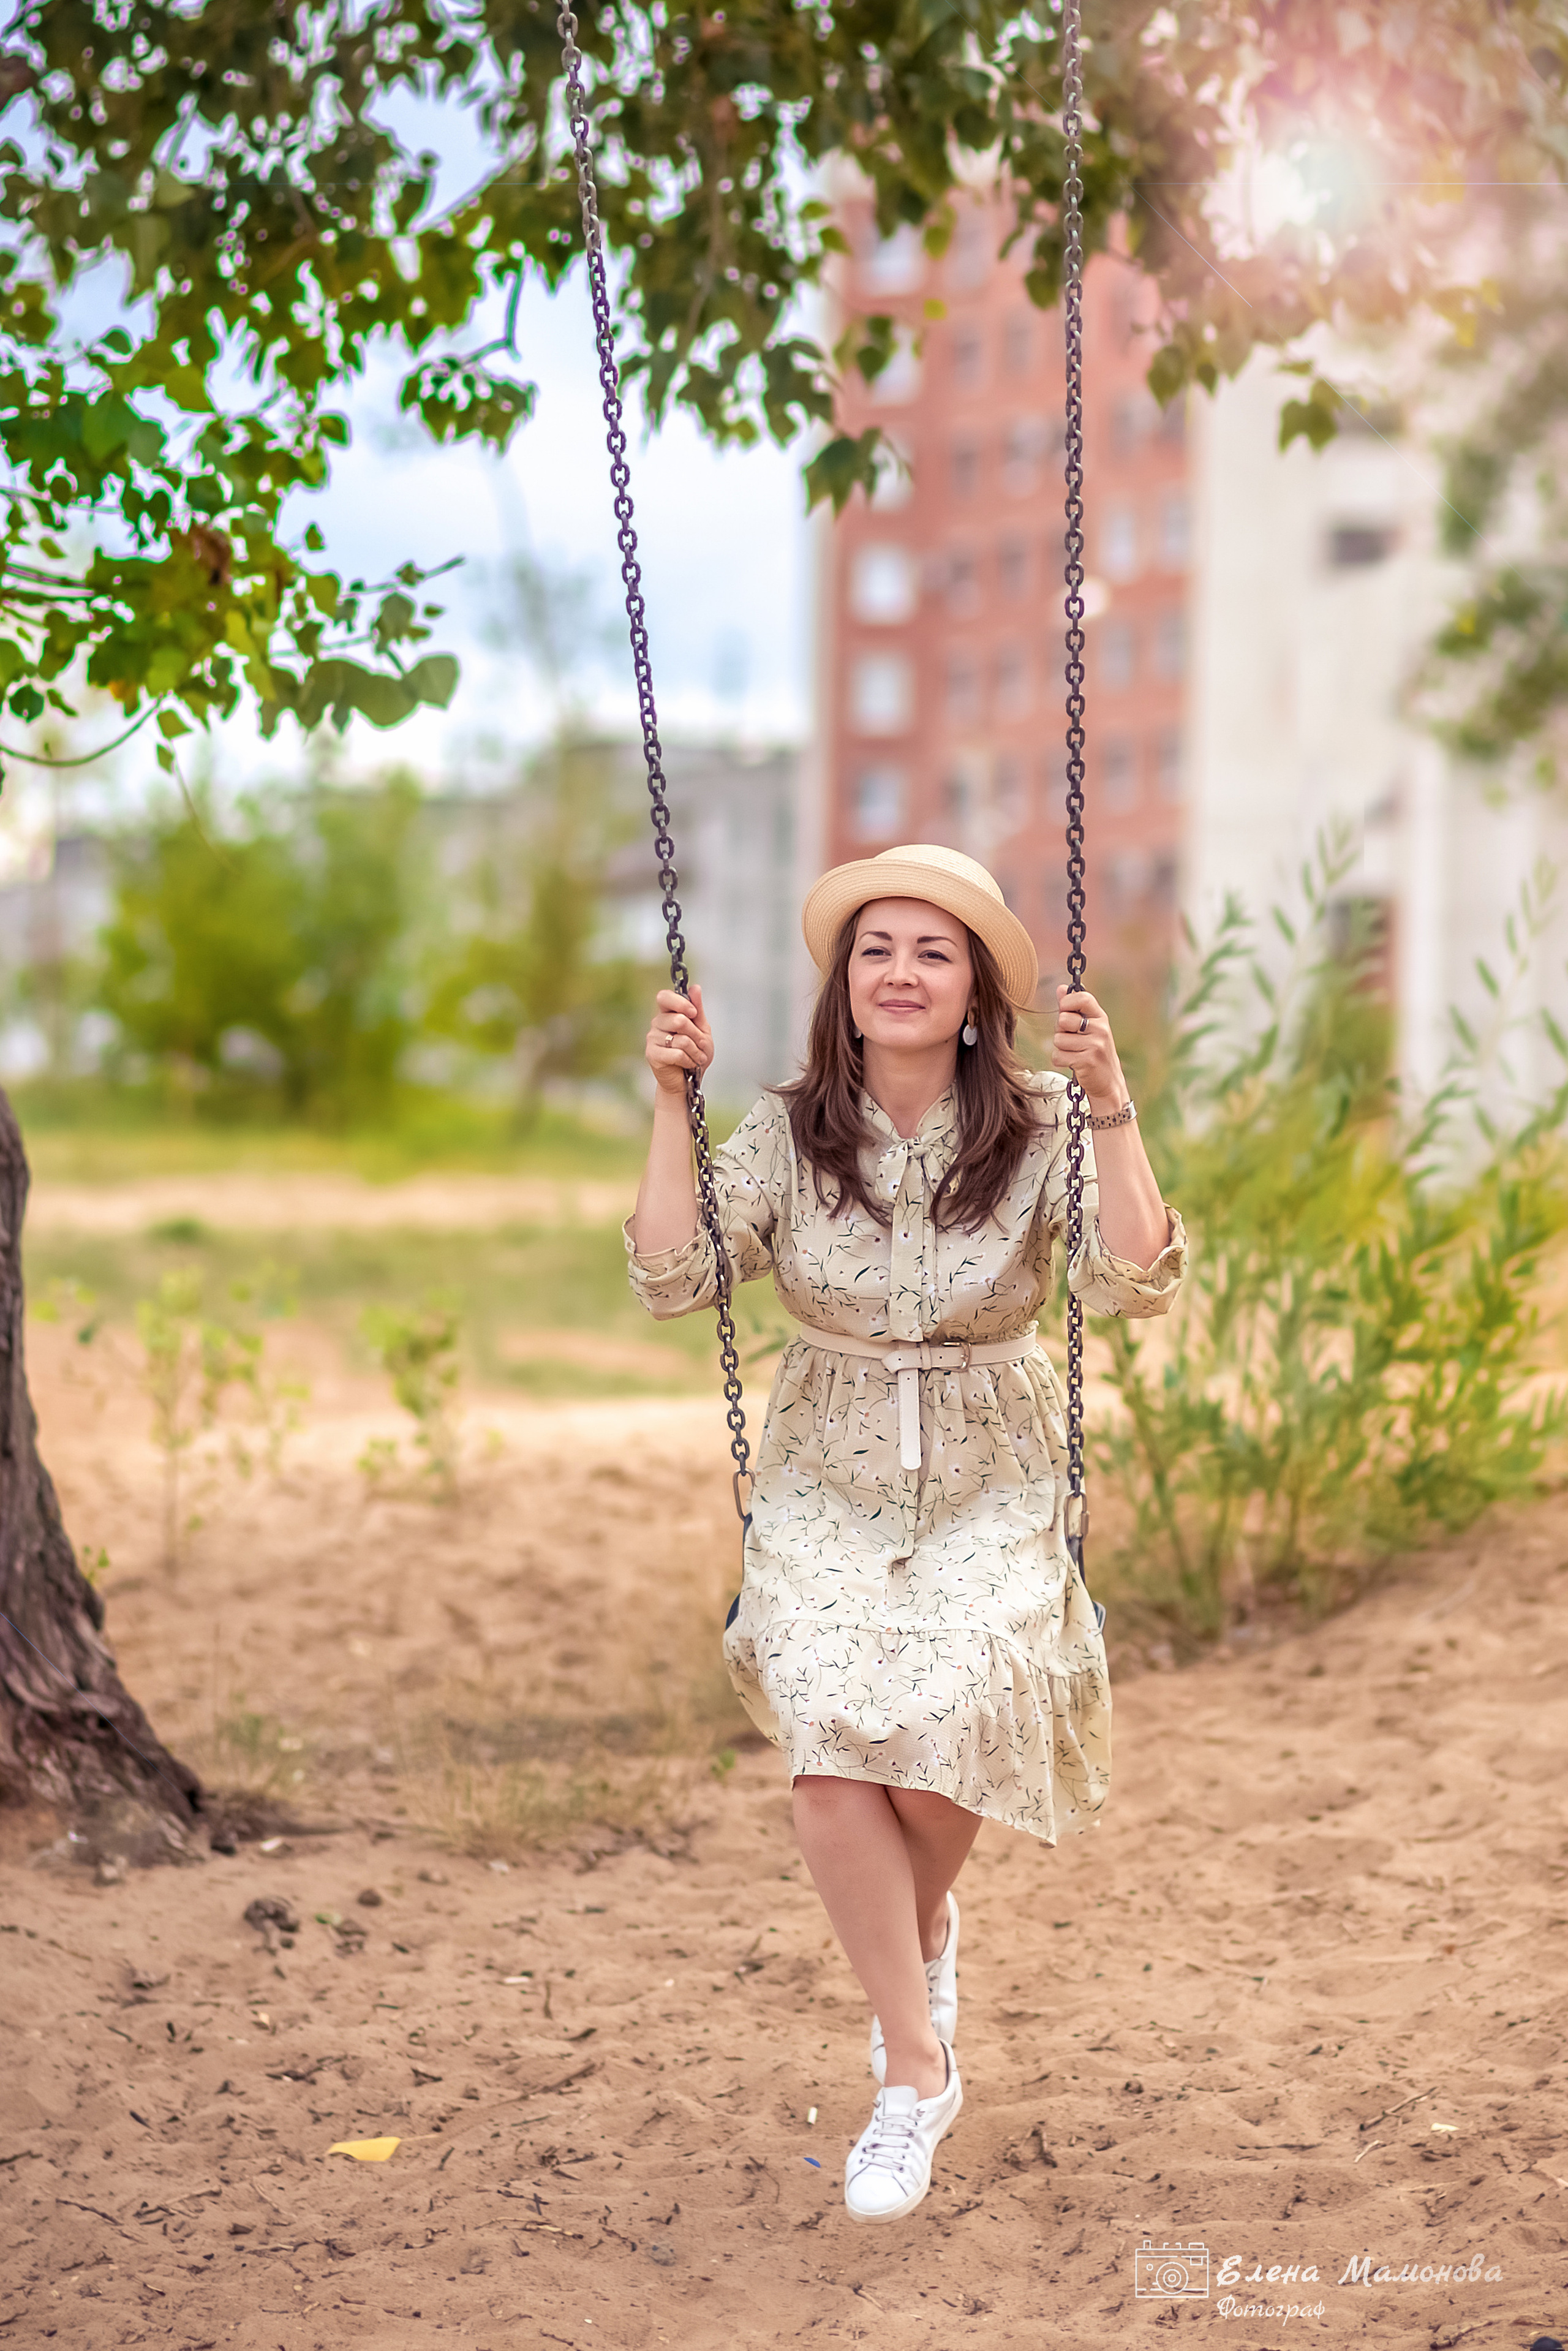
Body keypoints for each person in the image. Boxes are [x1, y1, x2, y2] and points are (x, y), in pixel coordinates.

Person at [625, 843, 1185, 2223]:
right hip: (824, 1464)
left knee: (949, 1737)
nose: (898, 971)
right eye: (874, 947)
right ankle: (913, 2068)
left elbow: (1133, 1281)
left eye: (931, 951)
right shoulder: (783, 1129)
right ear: (843, 980)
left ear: (975, 990)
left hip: (995, 1462)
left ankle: (918, 1932)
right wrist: (667, 1103)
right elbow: (670, 1275)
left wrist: (1111, 1109)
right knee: (829, 1752)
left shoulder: (1045, 1119)